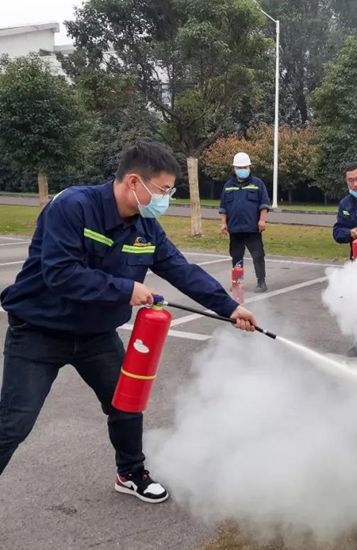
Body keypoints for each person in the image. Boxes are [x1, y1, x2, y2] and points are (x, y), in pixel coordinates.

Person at [0, 141, 258, 504]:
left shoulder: (146, 226)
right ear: (135, 182)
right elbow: (60, 274)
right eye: (163, 190)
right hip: (39, 332)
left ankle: (131, 472)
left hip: (96, 336)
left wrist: (229, 308)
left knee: (126, 404)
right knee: (14, 422)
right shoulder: (73, 207)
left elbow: (181, 270)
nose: (166, 199)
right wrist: (126, 288)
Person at [219, 152, 271, 292]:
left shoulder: (257, 184)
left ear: (250, 167)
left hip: (252, 229)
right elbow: (223, 207)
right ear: (234, 169)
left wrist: (262, 220)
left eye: (245, 167)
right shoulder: (228, 186)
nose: (242, 170)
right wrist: (223, 223)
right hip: (235, 230)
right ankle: (237, 283)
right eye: (239, 167)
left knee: (258, 256)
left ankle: (261, 282)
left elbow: (264, 204)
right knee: (236, 258)